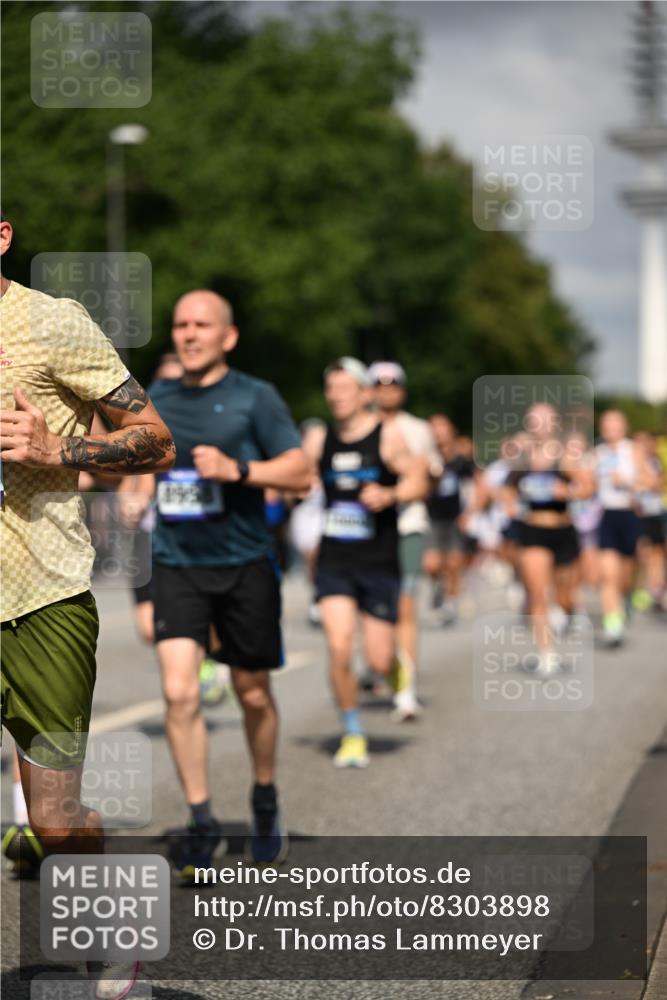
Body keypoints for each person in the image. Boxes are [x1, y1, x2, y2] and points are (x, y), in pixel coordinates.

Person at [0, 215, 175, 1000]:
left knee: (57, 823)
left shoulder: (52, 324)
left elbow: (153, 438)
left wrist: (56, 451)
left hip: (42, 599)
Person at [120, 289, 310, 875]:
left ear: (227, 336)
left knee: (252, 690)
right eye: (180, 324)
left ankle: (263, 797)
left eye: (202, 324)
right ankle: (201, 820)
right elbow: (138, 467)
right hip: (177, 564)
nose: (189, 333)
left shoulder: (256, 397)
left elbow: (302, 472)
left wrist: (241, 470)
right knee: (180, 692)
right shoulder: (157, 401)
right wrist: (133, 493)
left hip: (246, 563)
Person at [304, 358, 429, 768]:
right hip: (335, 560)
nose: (336, 395)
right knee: (339, 646)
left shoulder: (387, 436)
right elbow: (300, 476)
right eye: (331, 388)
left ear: (363, 393)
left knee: (377, 659)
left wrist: (391, 496)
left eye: (344, 388)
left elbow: (418, 479)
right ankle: (353, 731)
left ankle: (394, 670)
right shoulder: (320, 439)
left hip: (378, 560)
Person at [367, 360, 441, 720]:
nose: (386, 389)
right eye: (379, 384)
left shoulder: (417, 429)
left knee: (406, 606)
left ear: (402, 389)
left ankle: (406, 691)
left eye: (393, 384)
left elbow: (428, 478)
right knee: (370, 607)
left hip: (405, 525)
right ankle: (381, 664)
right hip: (363, 529)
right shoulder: (357, 424)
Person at [502, 403, 593, 675]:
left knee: (564, 595)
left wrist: (567, 492)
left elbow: (588, 487)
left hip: (562, 529)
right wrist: (509, 503)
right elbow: (505, 489)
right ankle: (546, 653)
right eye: (534, 420)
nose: (539, 425)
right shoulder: (521, 458)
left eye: (544, 420)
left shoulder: (565, 456)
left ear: (554, 425)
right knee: (538, 593)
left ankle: (565, 612)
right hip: (533, 530)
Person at [595, 410, 650, 646]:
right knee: (608, 574)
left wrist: (627, 481)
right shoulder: (597, 453)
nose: (611, 429)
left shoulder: (633, 450)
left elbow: (651, 481)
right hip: (607, 515)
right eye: (607, 425)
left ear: (624, 427)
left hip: (630, 514)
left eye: (615, 424)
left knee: (626, 575)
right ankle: (612, 625)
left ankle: (626, 597)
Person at [423, 415, 477, 625]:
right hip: (432, 516)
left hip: (456, 516)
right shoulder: (426, 458)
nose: (438, 433)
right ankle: (438, 586)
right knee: (432, 563)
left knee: (455, 562)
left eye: (442, 428)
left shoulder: (460, 460)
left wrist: (471, 513)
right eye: (434, 428)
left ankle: (450, 602)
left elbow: (476, 485)